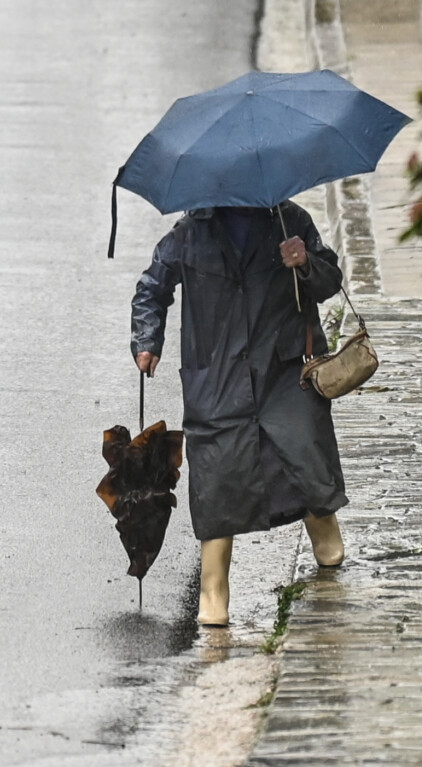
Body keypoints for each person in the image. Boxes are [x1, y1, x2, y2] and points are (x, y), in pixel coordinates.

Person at [131, 201, 348, 626]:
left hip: (283, 370)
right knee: (217, 475)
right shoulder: (190, 232)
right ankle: (214, 590)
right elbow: (152, 287)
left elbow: (329, 280)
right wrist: (147, 339)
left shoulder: (290, 220)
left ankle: (324, 527)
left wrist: (304, 262)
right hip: (217, 376)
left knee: (302, 450)